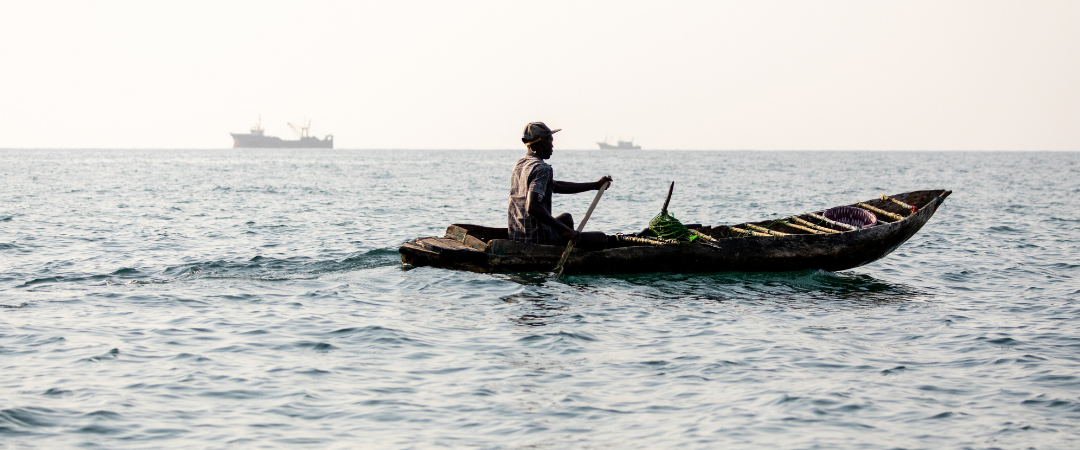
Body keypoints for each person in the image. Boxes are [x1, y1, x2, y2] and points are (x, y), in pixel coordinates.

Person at [508, 122, 613, 250]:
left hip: (517, 234)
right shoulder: (542, 168)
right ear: (543, 142)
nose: (552, 146)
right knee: (601, 238)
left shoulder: (520, 164)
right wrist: (567, 231)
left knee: (566, 218)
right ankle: (568, 247)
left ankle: (569, 244)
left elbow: (556, 186)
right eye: (551, 141)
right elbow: (533, 207)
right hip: (537, 239)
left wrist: (595, 185)